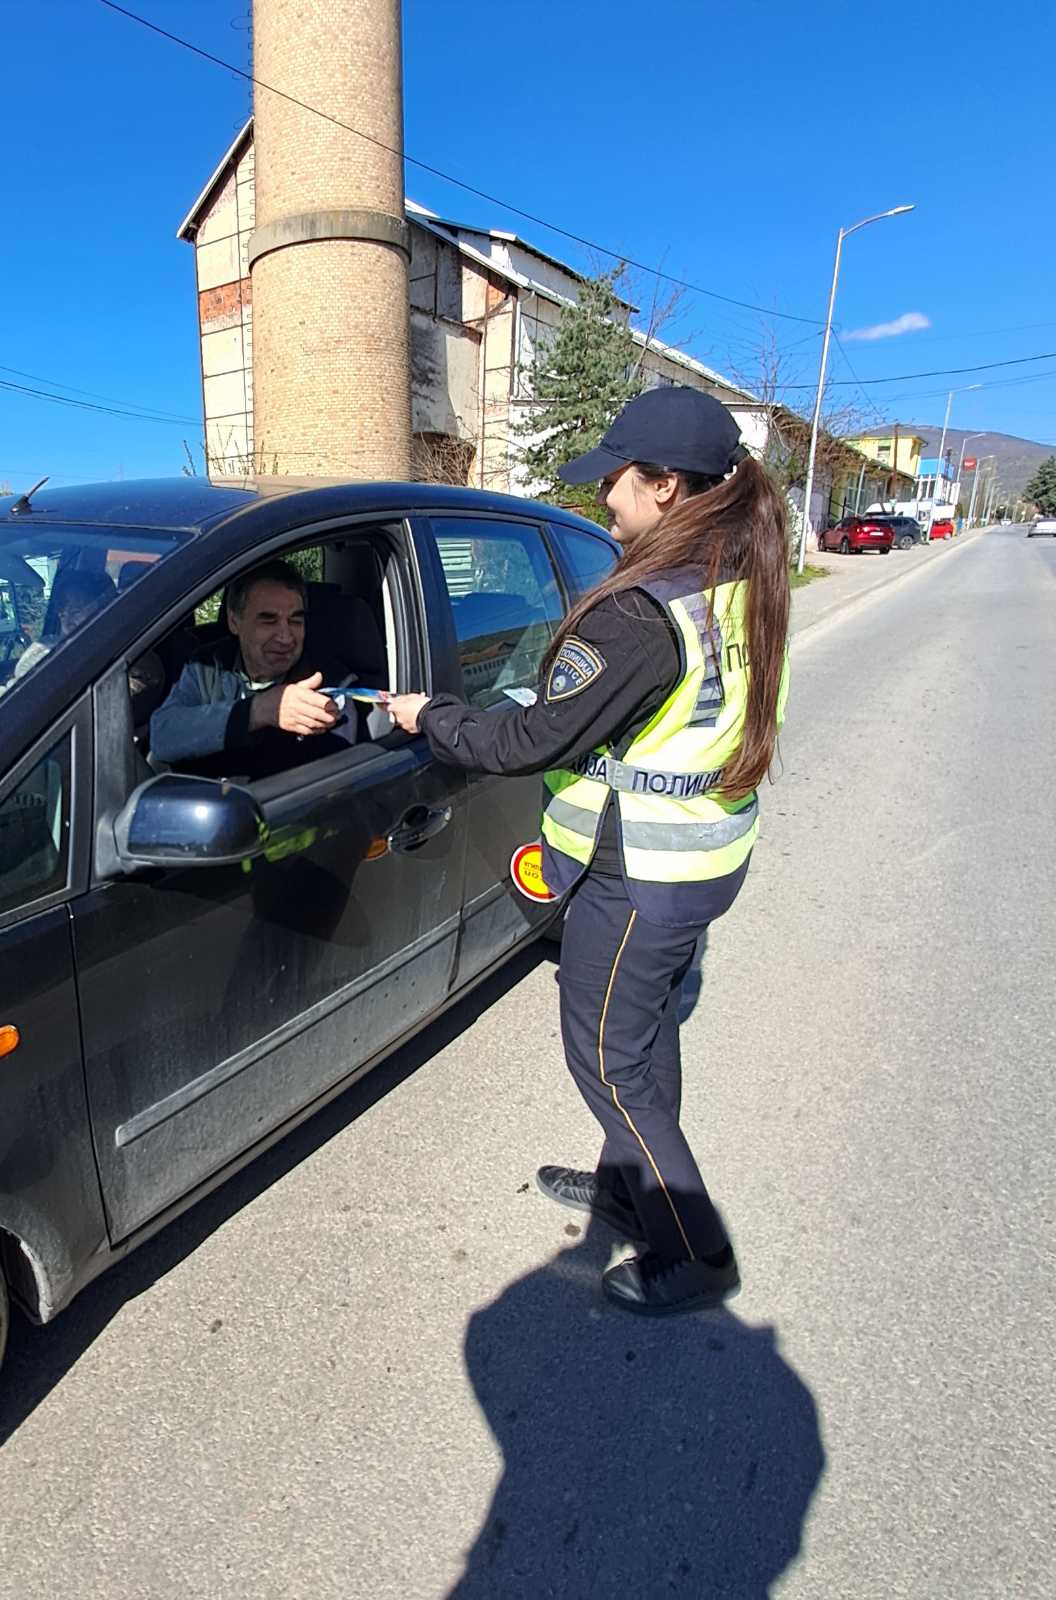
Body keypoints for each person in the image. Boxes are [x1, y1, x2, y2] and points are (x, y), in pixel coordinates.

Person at [387, 385, 790, 1316]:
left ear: (665, 485)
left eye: (613, 479)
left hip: (640, 875)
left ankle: (696, 1251)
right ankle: (627, 1187)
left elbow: (528, 741)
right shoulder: (735, 575)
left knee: (609, 1060)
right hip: (699, 860)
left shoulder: (642, 611)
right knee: (643, 1039)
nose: (601, 496)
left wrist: (430, 715)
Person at [149, 559, 356, 780]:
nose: (285, 638)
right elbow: (162, 737)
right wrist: (257, 711)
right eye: (269, 621)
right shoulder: (207, 665)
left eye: (295, 621)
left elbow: (338, 781)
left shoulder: (329, 683)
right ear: (234, 622)